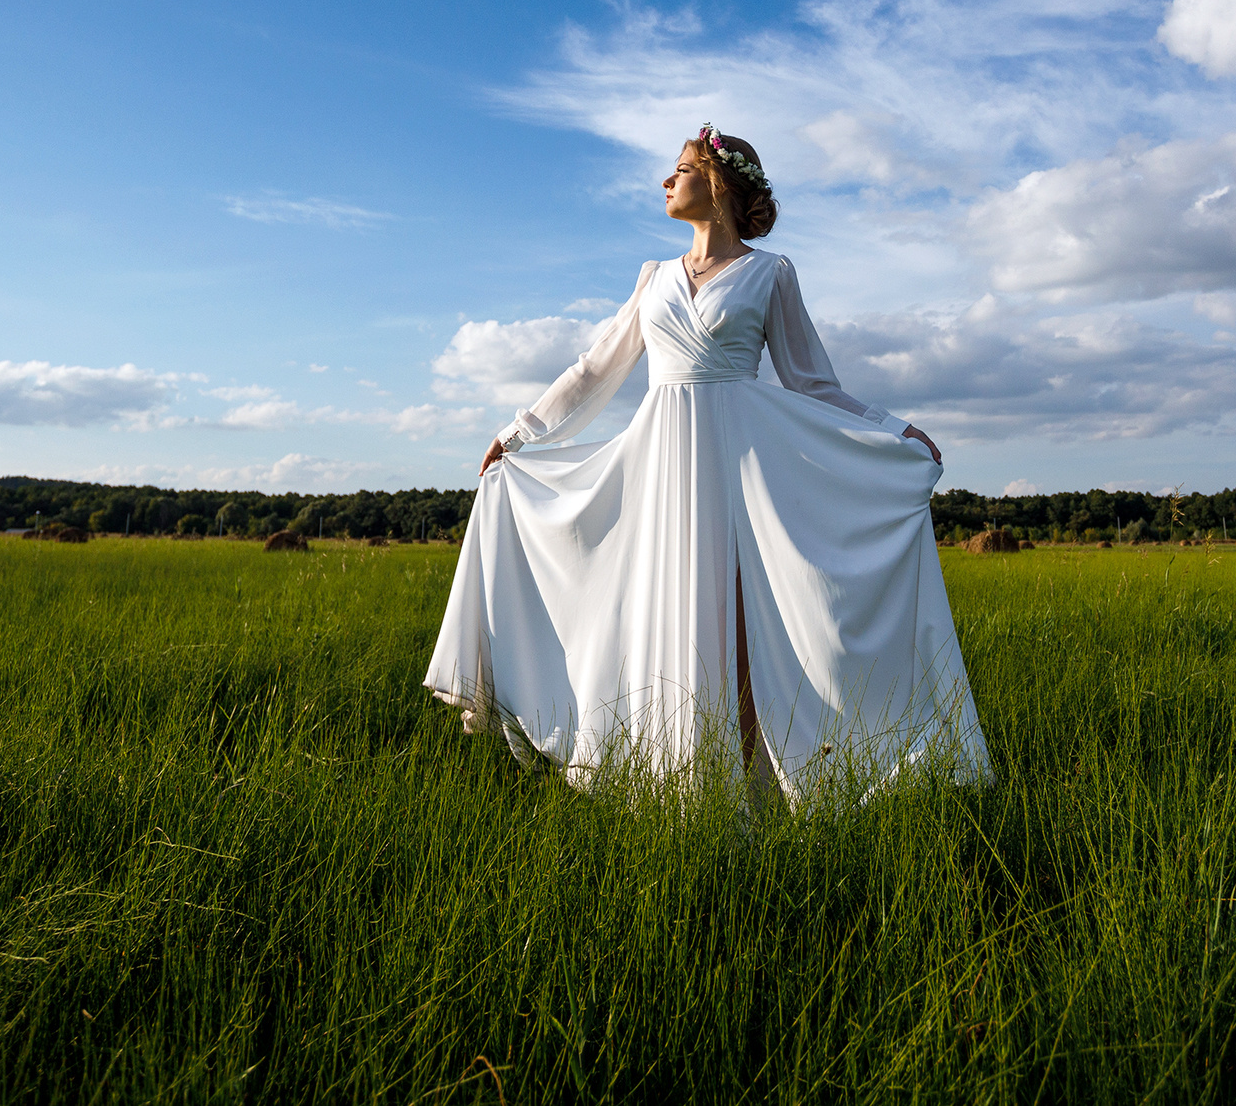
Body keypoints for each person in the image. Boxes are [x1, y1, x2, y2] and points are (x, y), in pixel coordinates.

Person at [424, 126, 991, 800]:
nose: (668, 181)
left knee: (743, 626)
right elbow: (595, 369)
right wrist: (521, 432)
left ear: (719, 183)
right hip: (660, 467)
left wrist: (891, 427)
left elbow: (811, 381)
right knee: (657, 614)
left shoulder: (769, 272)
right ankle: (673, 781)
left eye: (682, 169)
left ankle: (758, 790)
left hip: (740, 466)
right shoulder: (654, 278)